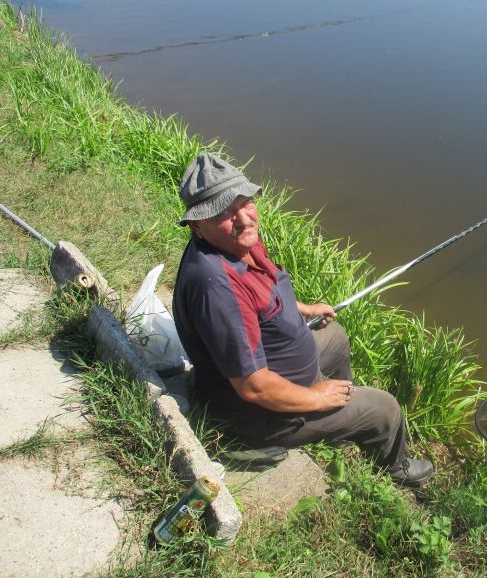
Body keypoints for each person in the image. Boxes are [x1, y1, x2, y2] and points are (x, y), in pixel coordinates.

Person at [172, 153, 433, 486]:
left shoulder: (236, 244)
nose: (243, 218)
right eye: (224, 211)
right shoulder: (217, 287)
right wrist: (317, 398)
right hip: (260, 415)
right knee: (385, 409)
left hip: (281, 369)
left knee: (335, 336)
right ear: (197, 224)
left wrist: (304, 309)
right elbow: (253, 387)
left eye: (245, 202)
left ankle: (341, 426)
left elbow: (262, 297)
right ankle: (396, 469)